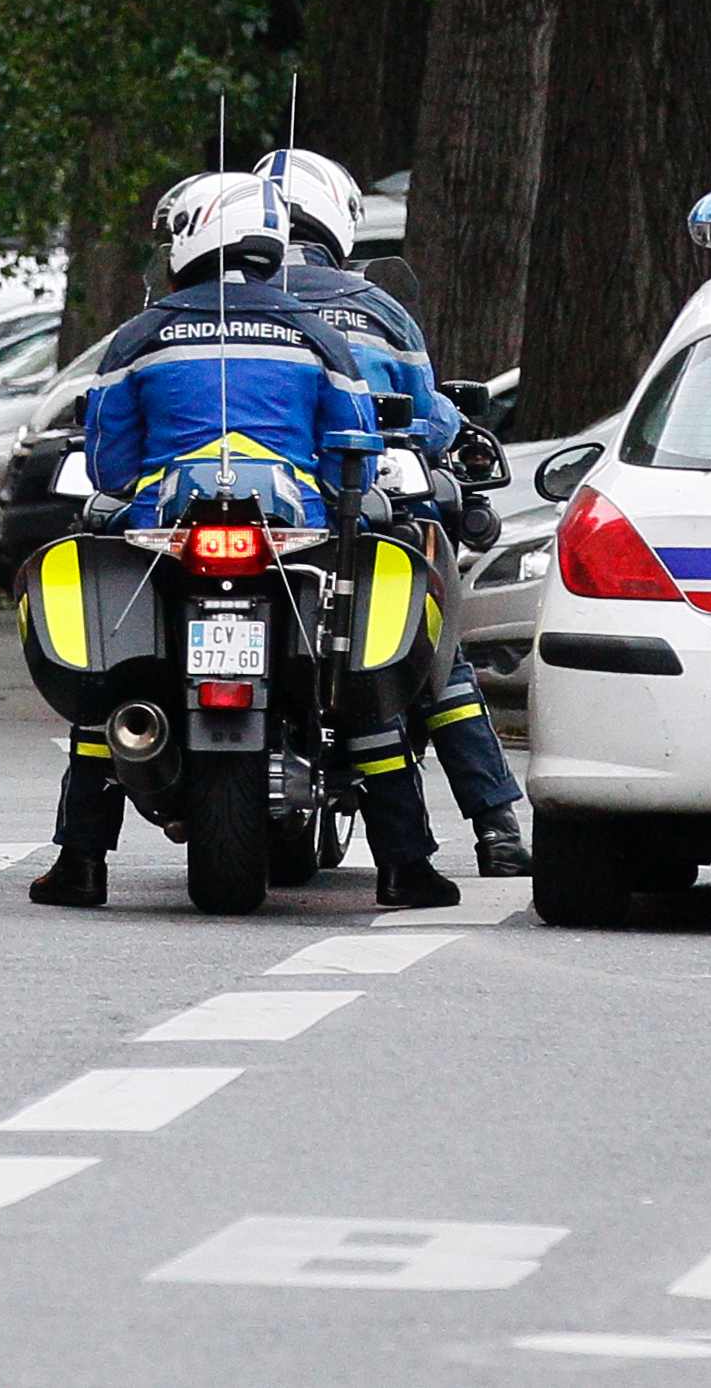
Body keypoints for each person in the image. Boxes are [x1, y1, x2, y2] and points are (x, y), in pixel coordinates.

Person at [30, 169, 459, 915]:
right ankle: (405, 866)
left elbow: (109, 464)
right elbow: (353, 448)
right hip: (295, 542)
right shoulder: (315, 331)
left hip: (166, 540)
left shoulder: (142, 333)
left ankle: (81, 862)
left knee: (111, 690)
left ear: (194, 238)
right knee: (357, 695)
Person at [257, 144, 530, 878]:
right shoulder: (374, 307)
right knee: (436, 659)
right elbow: (430, 415)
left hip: (245, 522)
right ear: (337, 222)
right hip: (360, 521)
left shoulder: (222, 304)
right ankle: (497, 828)